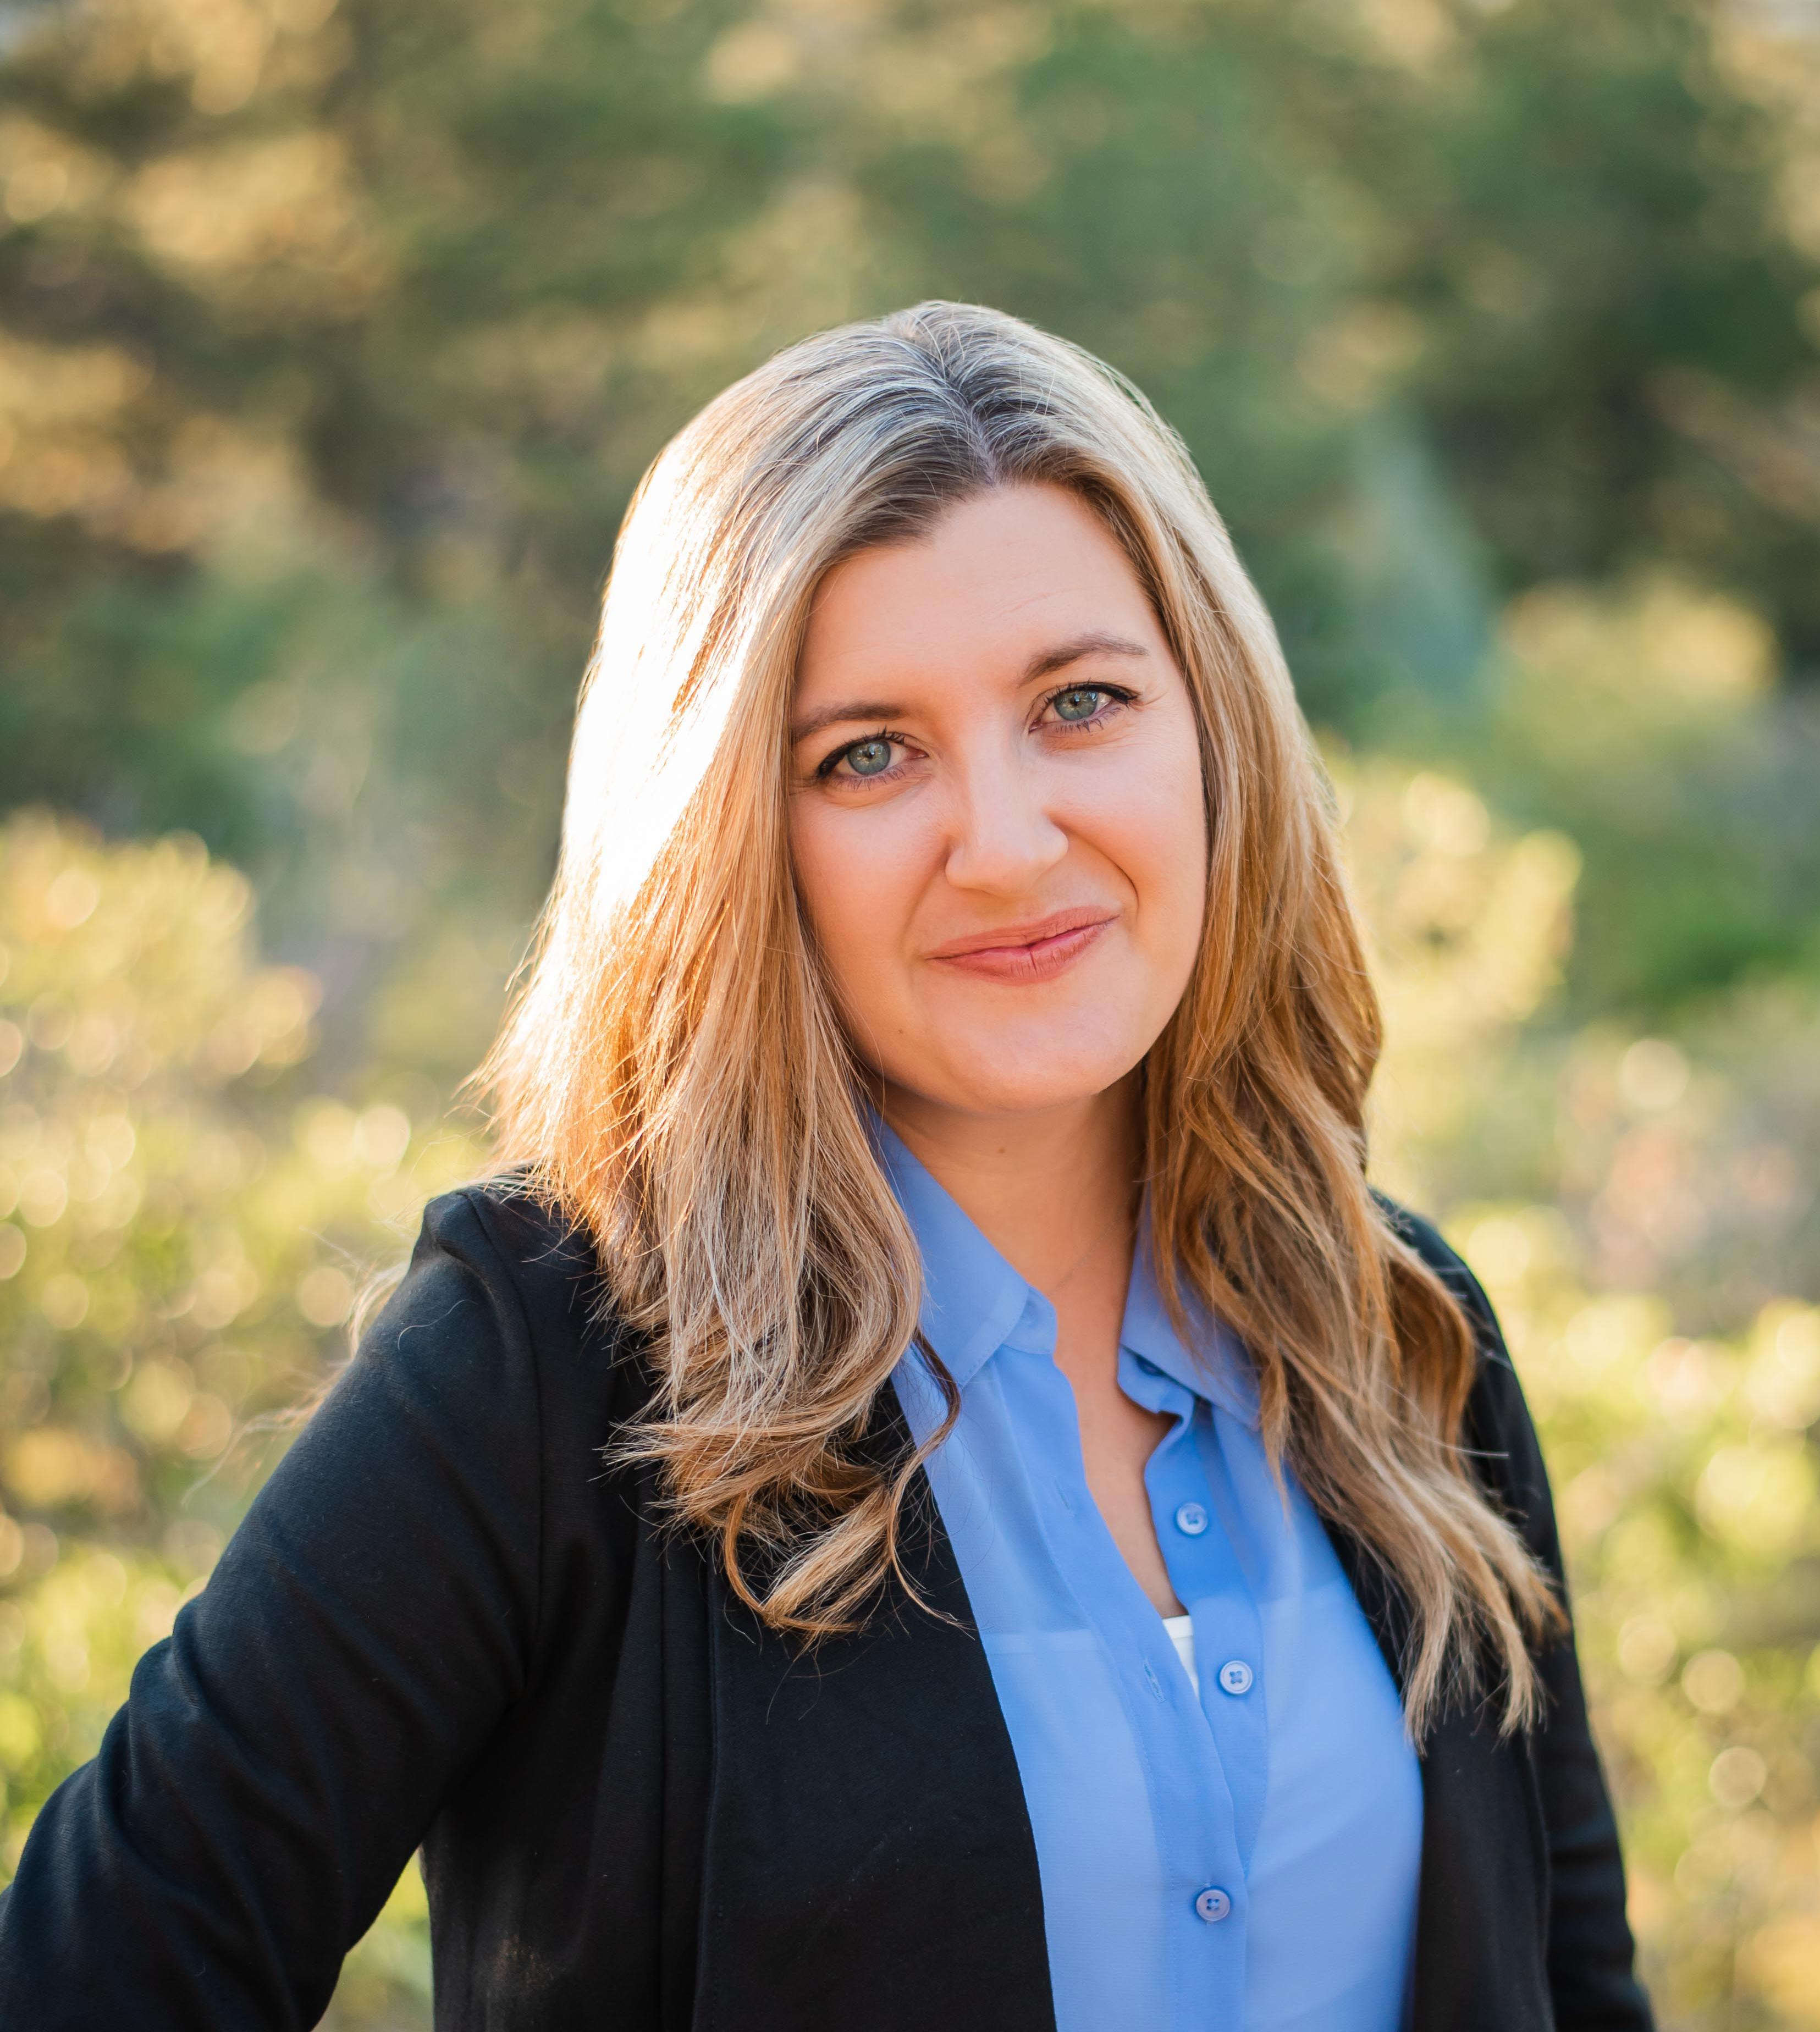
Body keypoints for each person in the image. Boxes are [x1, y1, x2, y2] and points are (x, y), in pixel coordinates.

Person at [0, 301, 1652, 2031]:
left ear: (1214, 731)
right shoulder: (544, 1372)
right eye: (868, 756)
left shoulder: (1394, 1328)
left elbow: (1573, 1984)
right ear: (731, 836)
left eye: (1080, 705)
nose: (1009, 846)